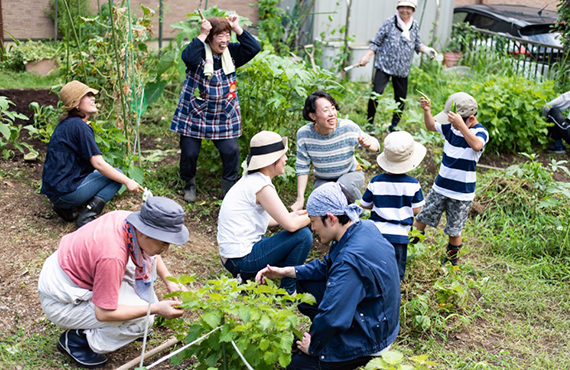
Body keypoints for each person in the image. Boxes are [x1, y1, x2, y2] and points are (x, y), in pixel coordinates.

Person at [256, 182, 400, 370]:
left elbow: (333, 317)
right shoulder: (362, 228)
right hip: (378, 315)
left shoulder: (350, 262)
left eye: (314, 221)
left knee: (297, 366)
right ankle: (325, 336)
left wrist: (314, 347)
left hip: (371, 337)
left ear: (331, 219)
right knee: (306, 281)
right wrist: (288, 271)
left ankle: (335, 347)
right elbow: (327, 265)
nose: (313, 228)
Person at [37, 196, 189, 368]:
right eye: (163, 242)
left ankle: (121, 322)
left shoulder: (128, 221)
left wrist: (170, 281)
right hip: (61, 301)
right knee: (145, 320)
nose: (166, 249)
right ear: (145, 232)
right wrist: (155, 309)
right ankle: (79, 341)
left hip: (67, 271)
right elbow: (103, 313)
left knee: (146, 301)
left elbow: (152, 254)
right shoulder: (112, 256)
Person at [170, 12, 261, 203]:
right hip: (195, 112)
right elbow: (187, 57)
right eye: (220, 36)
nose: (225, 40)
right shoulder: (199, 53)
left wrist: (237, 28)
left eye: (227, 35)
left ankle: (228, 187)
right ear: (210, 38)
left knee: (231, 151)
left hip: (223, 113)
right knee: (189, 152)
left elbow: (254, 47)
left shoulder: (233, 53)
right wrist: (202, 34)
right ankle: (189, 184)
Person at [217, 131, 313, 294]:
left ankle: (248, 279)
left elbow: (267, 220)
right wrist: (315, 214)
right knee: (303, 235)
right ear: (272, 160)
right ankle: (288, 290)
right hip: (241, 259)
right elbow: (290, 226)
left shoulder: (252, 180)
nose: (286, 159)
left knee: (292, 237)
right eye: (283, 155)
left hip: (232, 258)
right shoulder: (261, 186)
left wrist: (295, 216)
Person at [41, 81, 144, 228]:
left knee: (107, 173)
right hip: (66, 193)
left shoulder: (67, 124)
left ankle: (64, 209)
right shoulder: (79, 126)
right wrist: (128, 181)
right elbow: (99, 164)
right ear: (76, 104)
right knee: (117, 175)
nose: (93, 98)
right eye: (87, 95)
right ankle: (87, 216)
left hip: (55, 192)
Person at [414, 92, 489, 266]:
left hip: (462, 194)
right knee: (422, 218)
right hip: (440, 187)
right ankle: (408, 249)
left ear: (470, 119)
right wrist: (427, 111)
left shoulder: (479, 132)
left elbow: (477, 145)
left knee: (454, 230)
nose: (452, 126)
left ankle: (450, 263)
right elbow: (431, 126)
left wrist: (461, 126)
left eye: (455, 123)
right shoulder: (451, 128)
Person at [291, 91, 380, 211]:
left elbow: (376, 146)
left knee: (343, 186)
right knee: (324, 197)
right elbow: (302, 167)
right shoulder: (304, 134)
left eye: (333, 108)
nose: (332, 114)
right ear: (313, 116)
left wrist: (369, 145)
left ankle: (361, 215)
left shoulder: (348, 127)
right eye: (325, 110)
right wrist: (300, 198)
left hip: (350, 173)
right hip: (324, 179)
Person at [358, 0, 437, 132]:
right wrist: (367, 56)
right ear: (398, 8)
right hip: (384, 65)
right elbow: (376, 42)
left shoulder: (414, 25)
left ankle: (394, 125)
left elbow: (417, 44)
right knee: (375, 94)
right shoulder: (389, 22)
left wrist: (427, 50)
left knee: (400, 99)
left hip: (402, 69)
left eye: (409, 8)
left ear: (413, 10)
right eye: (403, 7)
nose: (405, 10)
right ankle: (370, 123)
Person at [360, 131, 426, 281]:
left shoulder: (376, 181)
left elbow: (365, 205)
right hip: (400, 236)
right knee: (395, 273)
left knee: (375, 267)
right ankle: (392, 295)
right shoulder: (413, 184)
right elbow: (417, 210)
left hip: (376, 234)